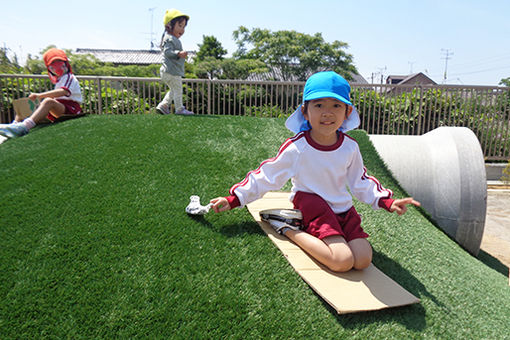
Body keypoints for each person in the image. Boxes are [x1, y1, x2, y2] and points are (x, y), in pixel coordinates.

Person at [210, 71, 421, 273]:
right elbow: (268, 175)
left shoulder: (349, 146)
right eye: (319, 105)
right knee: (342, 260)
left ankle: (320, 230)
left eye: (336, 105)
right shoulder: (297, 147)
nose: (327, 113)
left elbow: (360, 181)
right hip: (312, 204)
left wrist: (387, 201)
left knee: (363, 259)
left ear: (347, 112)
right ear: (305, 111)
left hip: (342, 209)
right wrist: (234, 199)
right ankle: (286, 227)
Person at [0, 48, 83, 139]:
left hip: (71, 108)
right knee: (24, 106)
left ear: (65, 64)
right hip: (62, 107)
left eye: (59, 62)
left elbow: (63, 91)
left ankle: (24, 127)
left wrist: (40, 95)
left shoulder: (69, 77)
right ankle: (14, 126)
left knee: (48, 101)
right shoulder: (60, 80)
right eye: (53, 65)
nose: (57, 68)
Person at [156, 8, 193, 115]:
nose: (182, 29)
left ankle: (163, 105)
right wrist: (178, 53)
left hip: (168, 71)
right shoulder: (169, 38)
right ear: (169, 26)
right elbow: (168, 52)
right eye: (180, 26)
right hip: (171, 71)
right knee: (178, 90)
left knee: (173, 90)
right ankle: (179, 109)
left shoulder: (170, 38)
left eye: (184, 27)